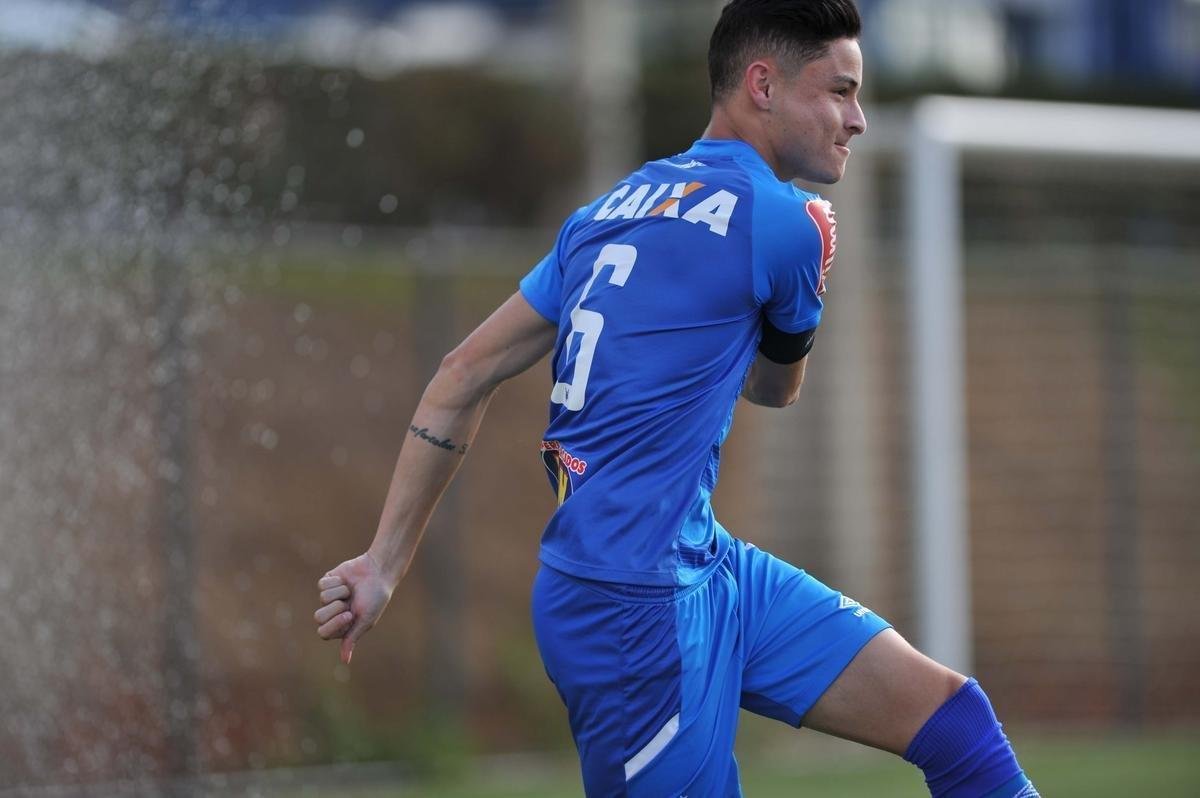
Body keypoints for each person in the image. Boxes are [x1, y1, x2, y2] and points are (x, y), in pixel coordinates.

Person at [315, 1, 1040, 795]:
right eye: (840, 91)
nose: (857, 119)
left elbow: (460, 374)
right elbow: (776, 390)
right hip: (630, 606)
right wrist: (798, 302)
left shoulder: (607, 211)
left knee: (954, 723)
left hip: (699, 562)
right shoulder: (786, 222)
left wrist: (383, 564)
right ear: (762, 85)